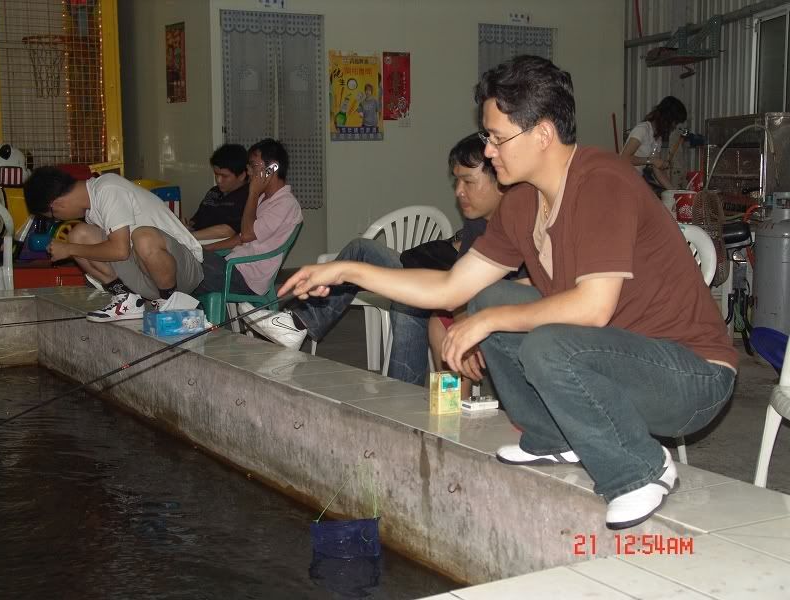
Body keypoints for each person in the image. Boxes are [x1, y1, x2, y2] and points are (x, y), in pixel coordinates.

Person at [279, 55, 736, 531]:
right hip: (613, 359)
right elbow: (452, 287)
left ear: (542, 134)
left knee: (540, 340)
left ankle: (641, 469)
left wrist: (488, 322)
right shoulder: (521, 201)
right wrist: (347, 271)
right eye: (487, 136)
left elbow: (593, 307)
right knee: (489, 298)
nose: (488, 150)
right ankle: (553, 436)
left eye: (497, 138)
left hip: (690, 376)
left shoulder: (603, 182)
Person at [247, 133, 515, 387]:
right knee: (361, 248)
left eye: (468, 181)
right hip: (437, 278)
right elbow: (458, 287)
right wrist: (344, 271)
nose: (458, 191)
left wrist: (468, 321)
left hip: (466, 296)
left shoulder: (518, 219)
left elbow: (463, 292)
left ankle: (401, 393)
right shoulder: (477, 222)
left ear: (500, 176)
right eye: (456, 182)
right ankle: (298, 324)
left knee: (412, 306)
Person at [23, 168, 203, 322]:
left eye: (54, 217)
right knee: (79, 236)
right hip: (146, 274)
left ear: (56, 205)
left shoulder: (108, 188)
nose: (60, 219)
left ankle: (171, 303)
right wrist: (72, 247)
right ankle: (128, 300)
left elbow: (120, 251)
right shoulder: (92, 212)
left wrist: (69, 250)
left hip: (183, 272)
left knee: (143, 237)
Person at [193, 138, 302, 298]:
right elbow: (239, 238)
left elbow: (247, 234)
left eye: (253, 165)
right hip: (233, 266)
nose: (249, 172)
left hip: (247, 279)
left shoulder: (285, 204)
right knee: (186, 257)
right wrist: (206, 248)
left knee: (183, 267)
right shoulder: (264, 198)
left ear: (272, 168)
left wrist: (253, 192)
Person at [185, 143, 250, 250]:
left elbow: (228, 231)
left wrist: (187, 236)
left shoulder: (247, 196)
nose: (218, 180)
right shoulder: (214, 191)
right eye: (216, 174)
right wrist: (186, 226)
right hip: (195, 241)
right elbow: (196, 220)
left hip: (217, 249)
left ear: (242, 175)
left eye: (224, 176)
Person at [621, 96, 687, 192]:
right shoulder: (642, 130)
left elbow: (657, 170)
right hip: (623, 180)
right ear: (668, 118)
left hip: (634, 180)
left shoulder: (657, 138)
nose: (674, 126)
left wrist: (674, 192)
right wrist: (651, 160)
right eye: (675, 122)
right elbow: (624, 158)